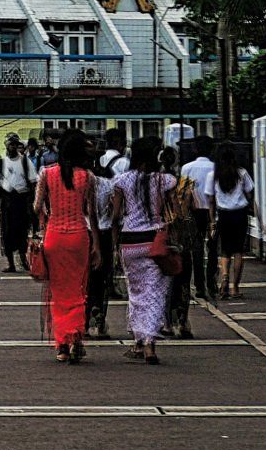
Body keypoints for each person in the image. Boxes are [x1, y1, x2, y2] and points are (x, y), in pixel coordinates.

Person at [32, 126, 98, 363]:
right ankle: (76, 337)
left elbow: (36, 206)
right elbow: (92, 213)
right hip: (79, 237)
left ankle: (62, 344)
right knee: (80, 290)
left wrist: (46, 217)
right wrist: (97, 246)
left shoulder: (46, 174)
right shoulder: (87, 177)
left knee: (58, 292)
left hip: (55, 238)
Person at [110, 136, 178, 365]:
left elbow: (116, 216)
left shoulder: (122, 180)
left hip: (129, 242)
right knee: (155, 292)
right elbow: (174, 213)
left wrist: (113, 242)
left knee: (136, 292)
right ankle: (149, 343)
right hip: (155, 242)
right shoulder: (165, 180)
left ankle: (138, 341)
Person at [87, 127, 127, 338]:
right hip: (103, 234)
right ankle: (100, 317)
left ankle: (84, 320)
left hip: (82, 234)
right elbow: (114, 215)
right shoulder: (108, 184)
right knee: (102, 277)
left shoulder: (80, 182)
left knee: (84, 279)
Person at [209, 142, 256, 301]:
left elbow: (211, 200)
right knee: (238, 251)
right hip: (240, 215)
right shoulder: (241, 173)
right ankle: (235, 287)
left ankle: (224, 278)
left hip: (224, 215)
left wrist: (211, 220)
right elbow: (250, 195)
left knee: (225, 251)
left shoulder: (214, 175)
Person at [159, 144, 196, 338]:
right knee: (183, 279)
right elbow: (192, 207)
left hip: (162, 234)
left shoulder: (155, 183)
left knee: (164, 280)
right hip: (183, 235)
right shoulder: (185, 183)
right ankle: (183, 321)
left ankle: (166, 321)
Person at [180, 136, 219, 302]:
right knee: (213, 248)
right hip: (213, 211)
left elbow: (183, 193)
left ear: (195, 149)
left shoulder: (187, 168)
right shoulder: (216, 167)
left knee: (196, 249)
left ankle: (199, 285)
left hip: (194, 211)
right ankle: (211, 283)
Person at [0, 133, 38, 273]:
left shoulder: (25, 162)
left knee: (22, 232)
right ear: (6, 145)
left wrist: (33, 202)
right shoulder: (1, 163)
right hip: (7, 203)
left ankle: (24, 259)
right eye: (10, 144)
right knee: (7, 233)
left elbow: (33, 182)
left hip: (21, 202)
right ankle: (11, 263)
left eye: (15, 144)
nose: (13, 147)